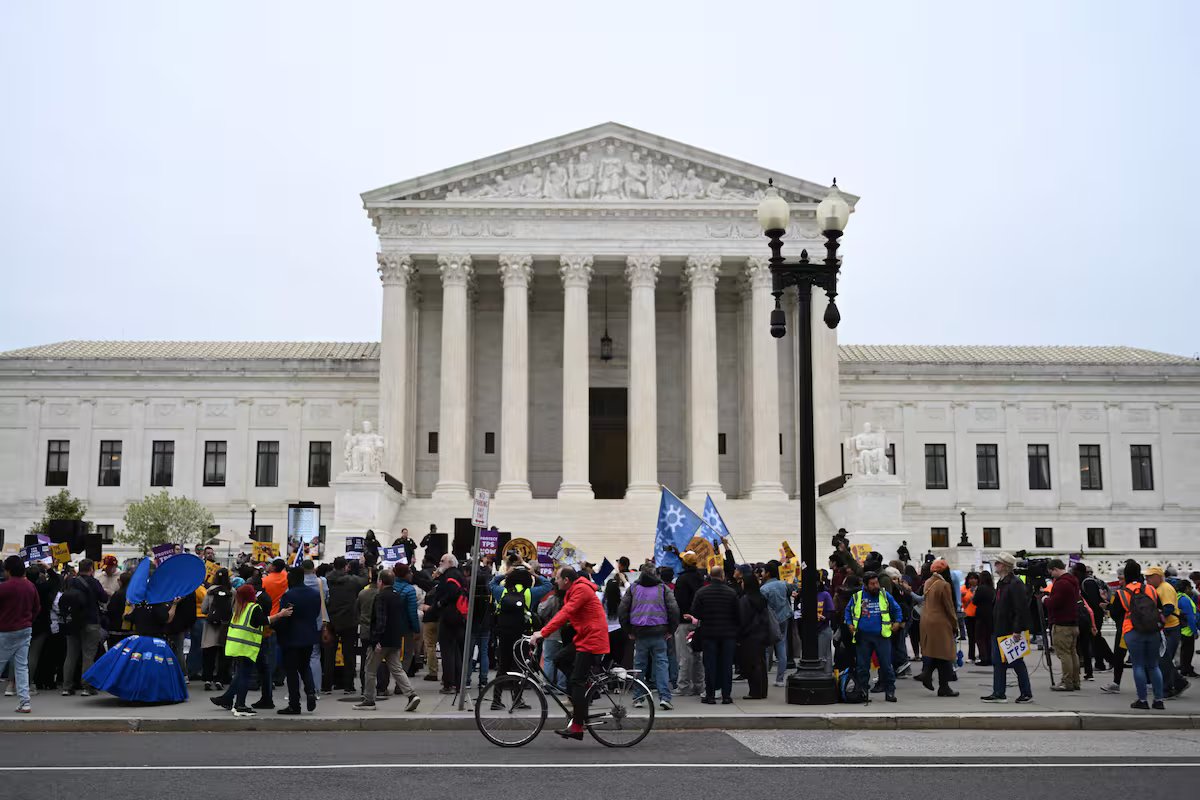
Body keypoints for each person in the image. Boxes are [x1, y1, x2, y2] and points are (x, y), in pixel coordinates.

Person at [531, 566, 610, 741]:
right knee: (559, 659)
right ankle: (583, 690)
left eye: (557, 578)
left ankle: (577, 727)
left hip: (592, 638)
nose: (555, 581)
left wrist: (542, 633)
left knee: (576, 680)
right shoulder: (573, 590)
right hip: (584, 637)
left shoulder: (581, 589)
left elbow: (565, 613)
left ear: (566, 580)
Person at [212, 584, 290, 716]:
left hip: (236, 646)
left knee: (241, 674)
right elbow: (264, 620)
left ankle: (229, 699)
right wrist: (281, 614)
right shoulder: (253, 608)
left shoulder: (238, 607)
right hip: (248, 647)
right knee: (244, 676)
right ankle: (240, 704)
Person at [355, 567, 421, 712]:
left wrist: (375, 640)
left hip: (381, 641)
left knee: (370, 669)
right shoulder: (397, 595)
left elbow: (380, 621)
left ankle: (369, 700)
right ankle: (411, 695)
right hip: (395, 639)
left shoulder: (381, 597)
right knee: (397, 669)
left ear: (380, 581)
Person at [618, 563, 680, 710]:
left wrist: (629, 631)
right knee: (661, 664)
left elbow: (623, 610)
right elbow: (674, 609)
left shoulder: (633, 588)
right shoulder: (663, 588)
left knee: (639, 665)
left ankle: (638, 697)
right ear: (655, 573)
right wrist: (671, 629)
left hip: (640, 633)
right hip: (659, 632)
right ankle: (664, 697)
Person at [982, 553, 1032, 703]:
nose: (995, 565)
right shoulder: (1002, 583)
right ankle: (998, 692)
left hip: (1010, 630)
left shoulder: (1015, 584)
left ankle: (1026, 693)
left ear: (1004, 565)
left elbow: (1020, 608)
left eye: (997, 563)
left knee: (1016, 662)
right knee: (998, 662)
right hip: (999, 628)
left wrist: (1017, 630)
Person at [1112, 560, 1163, 709]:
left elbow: (1115, 614)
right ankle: (1159, 700)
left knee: (1138, 665)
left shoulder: (1122, 593)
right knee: (1154, 666)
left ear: (1126, 575)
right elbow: (1158, 607)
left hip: (1132, 631)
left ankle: (1142, 700)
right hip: (1153, 630)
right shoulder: (1151, 590)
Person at [687, 566, 741, 705]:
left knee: (710, 665)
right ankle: (726, 695)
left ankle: (710, 695)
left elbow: (696, 613)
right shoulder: (731, 593)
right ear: (722, 575)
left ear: (710, 576)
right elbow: (738, 615)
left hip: (709, 633)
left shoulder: (702, 593)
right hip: (728, 634)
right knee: (726, 665)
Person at [845, 571, 901, 703]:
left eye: (876, 583)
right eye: (872, 584)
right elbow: (848, 611)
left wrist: (898, 622)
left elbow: (897, 609)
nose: (875, 586)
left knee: (886, 666)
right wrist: (849, 624)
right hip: (863, 637)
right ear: (865, 585)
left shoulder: (884, 595)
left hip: (882, 637)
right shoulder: (857, 597)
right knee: (862, 667)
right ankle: (863, 691)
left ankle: (890, 691)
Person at [275, 567, 321, 714]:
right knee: (305, 666)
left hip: (291, 638)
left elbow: (285, 617)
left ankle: (294, 704)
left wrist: (277, 629)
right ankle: (311, 691)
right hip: (309, 636)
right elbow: (316, 613)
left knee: (292, 671)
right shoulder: (314, 594)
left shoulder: (289, 596)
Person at [60, 558, 108, 697]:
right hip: (90, 622)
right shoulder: (94, 582)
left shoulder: (71, 581)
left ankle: (66, 687)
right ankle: (87, 686)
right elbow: (104, 598)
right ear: (91, 569)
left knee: (71, 655)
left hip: (72, 622)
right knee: (88, 655)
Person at [0, 556, 40, 713]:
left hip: (5, 630)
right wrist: (28, 620)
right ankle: (25, 702)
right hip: (25, 629)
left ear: (8, 570)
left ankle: (24, 702)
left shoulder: (4, 587)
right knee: (22, 666)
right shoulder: (30, 586)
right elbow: (37, 608)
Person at [423, 553, 466, 696]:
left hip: (449, 617)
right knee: (456, 652)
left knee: (448, 652)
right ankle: (458, 682)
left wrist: (438, 605)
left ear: (450, 563)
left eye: (442, 561)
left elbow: (451, 593)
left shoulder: (450, 576)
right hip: (459, 617)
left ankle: (449, 683)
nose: (439, 563)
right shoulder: (458, 574)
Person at [324, 557, 367, 694]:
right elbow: (365, 580)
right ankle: (349, 686)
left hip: (331, 620)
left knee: (329, 655)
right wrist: (362, 566)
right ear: (346, 567)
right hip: (349, 621)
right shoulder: (352, 581)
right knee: (349, 654)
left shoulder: (326, 581)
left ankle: (326, 685)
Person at [1145, 566, 1188, 698]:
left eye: (1150, 576)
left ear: (1159, 577)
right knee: (1164, 659)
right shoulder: (1158, 588)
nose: (1147, 579)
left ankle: (1167, 689)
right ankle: (1179, 682)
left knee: (1164, 660)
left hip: (1170, 628)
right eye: (1147, 576)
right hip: (1167, 628)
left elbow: (1168, 607)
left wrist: (1156, 619)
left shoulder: (1165, 588)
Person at [918, 560, 959, 697]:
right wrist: (955, 624)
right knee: (945, 654)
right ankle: (943, 686)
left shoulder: (928, 582)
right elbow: (949, 607)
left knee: (937, 652)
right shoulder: (944, 585)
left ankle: (927, 674)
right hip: (940, 622)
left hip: (926, 620)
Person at [1043, 559, 1082, 691]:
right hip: (1073, 622)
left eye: (1051, 572)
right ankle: (1076, 680)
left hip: (1062, 623)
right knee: (1072, 653)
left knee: (1064, 654)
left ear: (1055, 569)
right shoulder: (1073, 581)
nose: (1051, 575)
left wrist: (1045, 600)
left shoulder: (1061, 584)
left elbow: (1055, 603)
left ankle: (1067, 681)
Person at [672, 552, 707, 697]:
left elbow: (678, 601)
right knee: (698, 654)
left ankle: (683, 685)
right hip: (698, 620)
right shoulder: (700, 578)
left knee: (685, 654)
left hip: (684, 620)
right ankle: (699, 685)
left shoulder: (682, 579)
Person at [736, 571, 774, 700]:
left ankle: (754, 691)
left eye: (742, 582)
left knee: (751, 665)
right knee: (760, 664)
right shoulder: (761, 598)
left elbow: (742, 619)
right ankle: (762, 690)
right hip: (761, 635)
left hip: (749, 637)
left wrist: (739, 635)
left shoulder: (745, 600)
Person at [759, 562, 792, 687]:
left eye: (763, 571)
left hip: (770, 620)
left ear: (767, 573)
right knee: (782, 645)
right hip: (784, 617)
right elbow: (794, 587)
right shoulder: (783, 584)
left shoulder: (763, 589)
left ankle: (765, 675)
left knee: (767, 648)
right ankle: (780, 679)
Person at [201, 568, 233, 691]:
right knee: (223, 655)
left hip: (210, 627)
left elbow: (204, 609)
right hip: (225, 627)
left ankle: (208, 679)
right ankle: (220, 679)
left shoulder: (210, 591)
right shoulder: (232, 591)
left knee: (209, 654)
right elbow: (233, 610)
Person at [413, 558, 440, 683]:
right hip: (441, 619)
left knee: (430, 645)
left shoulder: (433, 586)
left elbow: (418, 580)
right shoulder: (444, 585)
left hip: (430, 619)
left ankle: (433, 671)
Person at [972, 571, 995, 667]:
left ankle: (983, 657)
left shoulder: (980, 588)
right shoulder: (992, 589)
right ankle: (990, 657)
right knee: (988, 637)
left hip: (981, 615)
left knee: (980, 637)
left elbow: (975, 601)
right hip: (991, 615)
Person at [962, 572, 978, 664]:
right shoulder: (964, 589)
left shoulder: (979, 589)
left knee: (979, 637)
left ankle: (982, 655)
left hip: (978, 615)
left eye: (975, 578)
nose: (973, 580)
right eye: (971, 578)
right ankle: (971, 656)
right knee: (971, 637)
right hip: (968, 615)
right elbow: (962, 601)